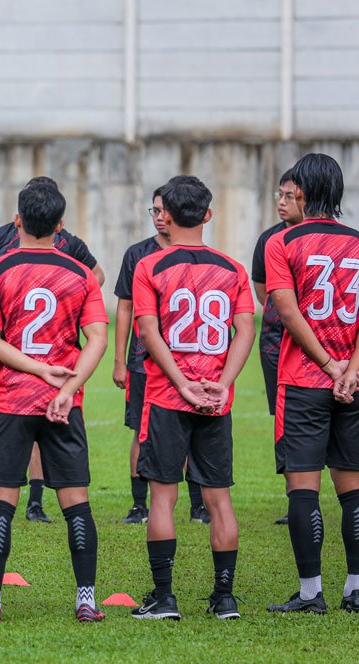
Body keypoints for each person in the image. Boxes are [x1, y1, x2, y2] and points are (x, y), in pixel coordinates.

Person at [0, 182, 108, 624]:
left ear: (18, 221)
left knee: (1, 500)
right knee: (76, 501)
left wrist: (33, 369)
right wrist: (64, 386)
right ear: (60, 226)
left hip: (10, 400)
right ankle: (86, 600)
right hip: (63, 402)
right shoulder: (80, 273)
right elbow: (98, 339)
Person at [0, 176, 105, 525]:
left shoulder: (71, 247)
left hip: (39, 362)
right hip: (15, 361)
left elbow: (97, 277)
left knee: (35, 430)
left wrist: (67, 307)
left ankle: (34, 503)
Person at [130, 175, 255, 621]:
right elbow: (246, 331)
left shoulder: (150, 266)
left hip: (168, 395)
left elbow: (148, 331)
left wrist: (182, 383)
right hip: (216, 399)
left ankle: (164, 597)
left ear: (166, 215)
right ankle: (225, 598)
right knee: (219, 499)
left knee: (163, 498)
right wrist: (222, 382)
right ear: (207, 214)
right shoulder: (233, 268)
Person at [265, 153, 359, 615]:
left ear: (303, 190)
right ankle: (355, 590)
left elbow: (287, 311)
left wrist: (328, 365)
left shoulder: (282, 242)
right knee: (353, 490)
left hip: (305, 381)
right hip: (354, 383)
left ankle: (310, 594)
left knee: (303, 491)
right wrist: (350, 369)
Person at [113, 188, 170, 524]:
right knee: (140, 429)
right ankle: (139, 504)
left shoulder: (194, 255)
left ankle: (197, 504)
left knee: (189, 430)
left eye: (165, 210)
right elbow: (124, 307)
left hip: (186, 360)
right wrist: (120, 360)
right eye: (155, 210)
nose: (160, 216)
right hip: (142, 360)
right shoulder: (137, 254)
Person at [252, 170, 305, 526]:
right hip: (276, 340)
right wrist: (282, 315)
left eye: (289, 196)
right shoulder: (270, 239)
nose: (281, 202)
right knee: (285, 420)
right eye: (279, 195)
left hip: (327, 341)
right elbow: (261, 288)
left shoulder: (319, 239)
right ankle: (296, 500)